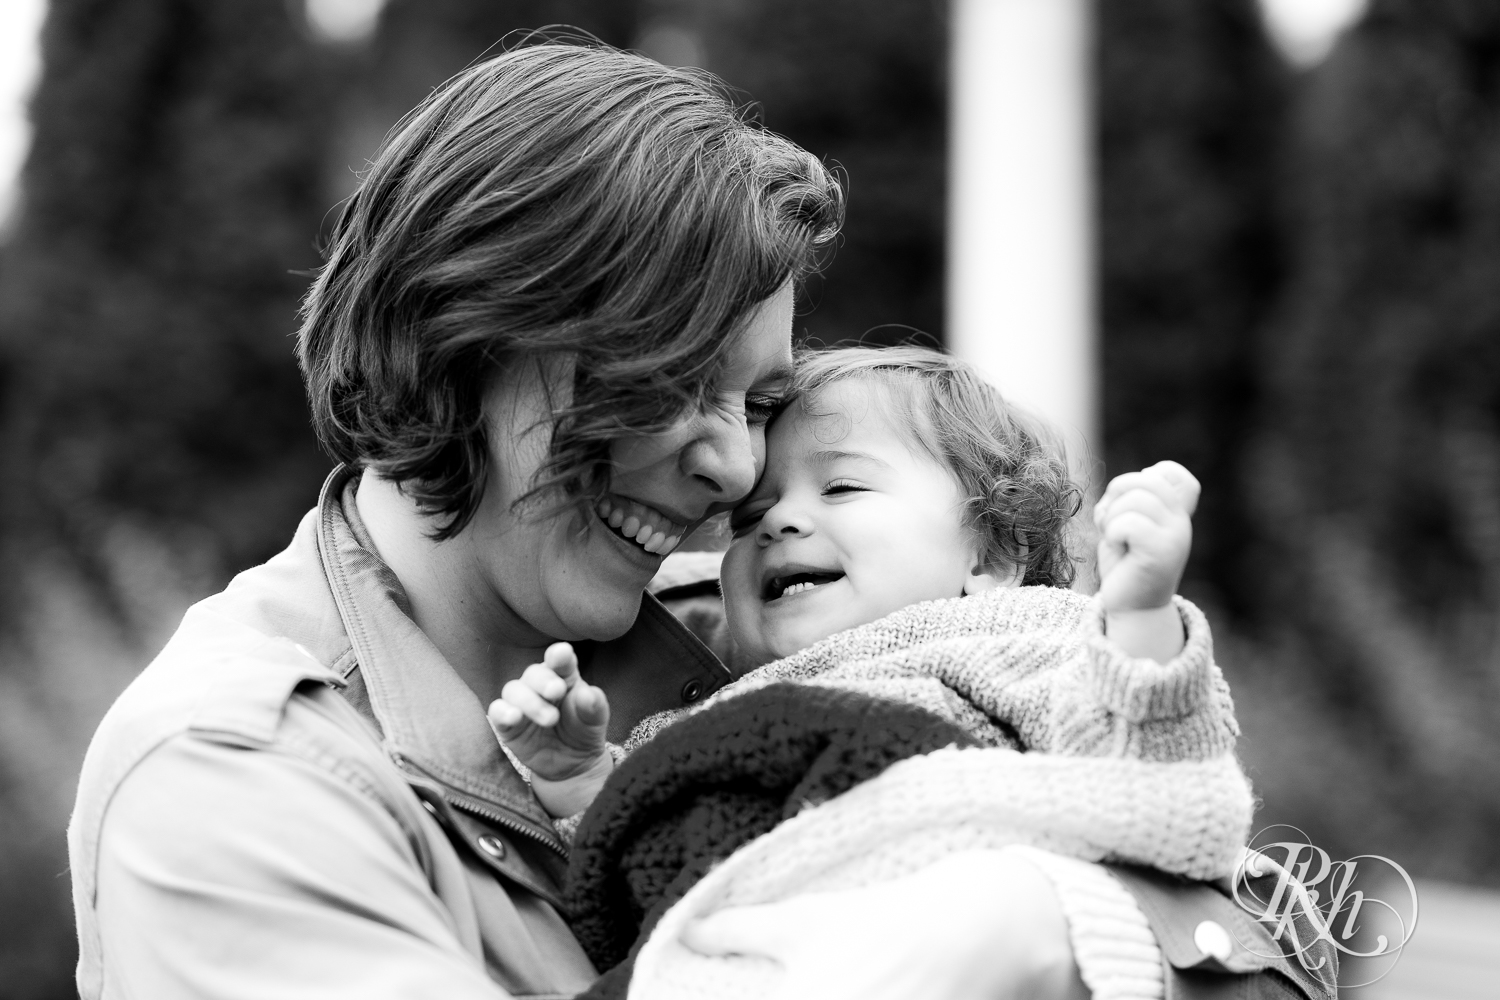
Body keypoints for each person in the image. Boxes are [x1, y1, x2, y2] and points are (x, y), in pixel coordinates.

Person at [66, 40, 1333, 1000]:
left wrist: (1070, 924)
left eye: (761, 397)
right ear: (462, 340)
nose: (735, 468)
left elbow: (1202, 858)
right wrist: (1023, 935)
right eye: (668, 380)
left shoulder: (766, 637)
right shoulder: (233, 783)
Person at [492, 347, 1254, 1000]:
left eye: (842, 487)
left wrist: (1141, 618)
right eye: (750, 519)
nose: (781, 523)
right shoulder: (718, 709)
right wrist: (586, 779)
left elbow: (1145, 768)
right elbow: (644, 848)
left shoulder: (1012, 639)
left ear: (987, 557)